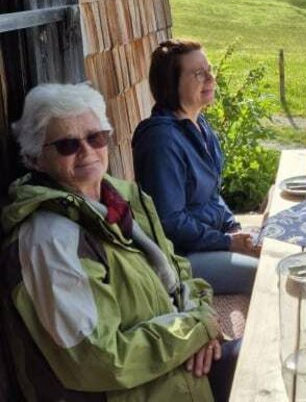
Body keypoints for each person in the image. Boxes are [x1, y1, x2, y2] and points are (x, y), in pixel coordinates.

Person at [0, 83, 239, 401]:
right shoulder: (49, 240)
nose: (87, 151)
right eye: (67, 145)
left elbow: (179, 270)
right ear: (35, 159)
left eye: (95, 137)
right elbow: (96, 358)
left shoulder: (122, 199)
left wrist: (201, 326)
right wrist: (197, 330)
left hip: (175, 367)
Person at [132, 39, 259, 295]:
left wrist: (233, 226)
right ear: (171, 83)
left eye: (210, 69)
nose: (211, 78)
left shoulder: (199, 125)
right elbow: (170, 222)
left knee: (279, 250)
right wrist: (226, 242)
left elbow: (211, 195)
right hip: (181, 258)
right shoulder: (161, 140)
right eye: (199, 73)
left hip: (210, 241)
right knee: (267, 273)